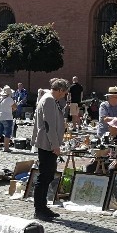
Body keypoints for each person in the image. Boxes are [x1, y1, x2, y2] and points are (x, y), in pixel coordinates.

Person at [31, 78, 69, 221]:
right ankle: (39, 209)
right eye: (64, 93)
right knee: (44, 176)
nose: (64, 95)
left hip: (48, 144)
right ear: (59, 90)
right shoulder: (49, 100)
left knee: (47, 176)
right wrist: (55, 145)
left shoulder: (49, 99)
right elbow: (49, 125)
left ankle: (43, 206)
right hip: (47, 144)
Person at [0, 85, 15, 152]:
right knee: (7, 132)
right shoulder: (9, 99)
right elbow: (15, 107)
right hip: (7, 117)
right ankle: (6, 148)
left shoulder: (0, 98)